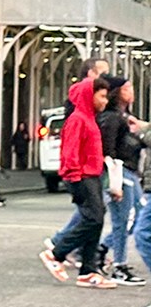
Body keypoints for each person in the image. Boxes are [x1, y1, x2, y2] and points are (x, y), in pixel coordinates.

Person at [41, 76, 117, 288]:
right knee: (93, 219)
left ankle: (88, 271)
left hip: (90, 175)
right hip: (82, 176)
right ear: (89, 96)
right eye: (101, 96)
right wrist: (74, 176)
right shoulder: (78, 119)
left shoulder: (88, 118)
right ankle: (57, 253)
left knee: (95, 220)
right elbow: (70, 151)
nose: (105, 101)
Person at [97, 77, 146, 286]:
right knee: (125, 219)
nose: (131, 91)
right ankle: (119, 264)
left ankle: (104, 251)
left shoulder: (125, 118)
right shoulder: (112, 118)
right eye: (127, 88)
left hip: (130, 172)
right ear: (117, 92)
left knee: (136, 217)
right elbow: (108, 149)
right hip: (121, 171)